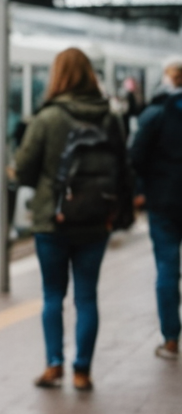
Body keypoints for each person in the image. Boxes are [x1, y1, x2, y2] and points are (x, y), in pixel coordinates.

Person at [16, 47, 133, 391]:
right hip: (96, 219)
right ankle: (83, 370)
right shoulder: (109, 117)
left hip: (53, 221)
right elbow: (123, 168)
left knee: (53, 296)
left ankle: (54, 365)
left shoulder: (48, 117)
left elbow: (23, 170)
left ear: (58, 75)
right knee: (87, 297)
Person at [131, 59, 182, 360]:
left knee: (167, 267)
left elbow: (136, 157)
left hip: (163, 202)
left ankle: (171, 339)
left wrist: (145, 186)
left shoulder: (155, 114)